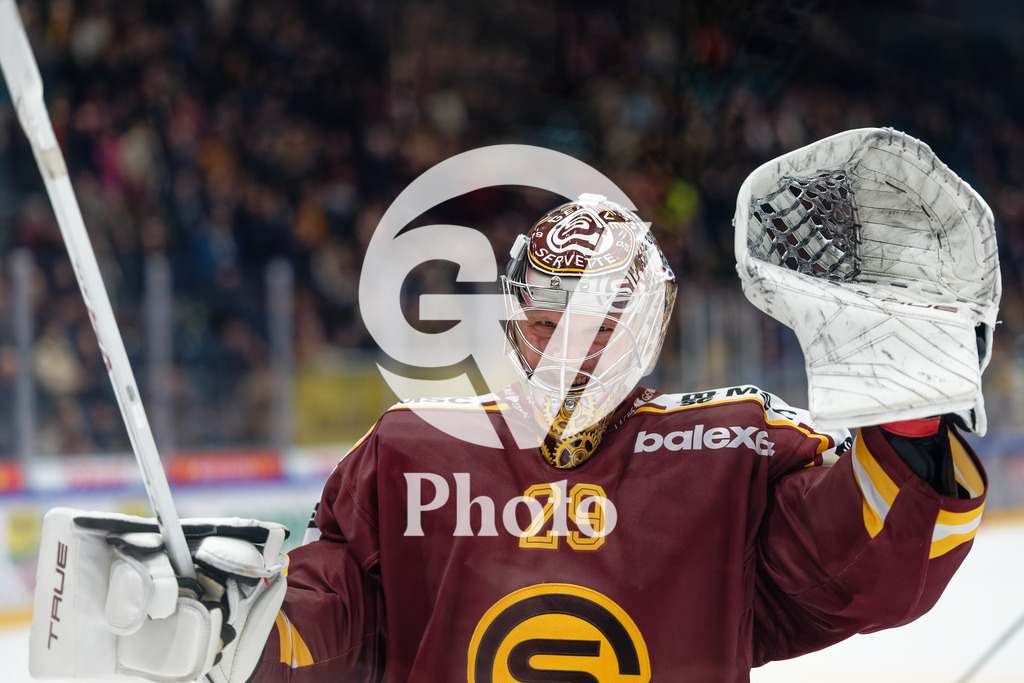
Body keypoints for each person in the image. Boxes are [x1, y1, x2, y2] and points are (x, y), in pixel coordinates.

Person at [29, 193, 988, 683]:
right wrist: (240, 630)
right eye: (546, 321)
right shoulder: (413, 451)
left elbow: (852, 567)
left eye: (599, 323)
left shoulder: (729, 455)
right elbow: (347, 614)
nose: (567, 348)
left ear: (649, 326)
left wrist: (907, 406)